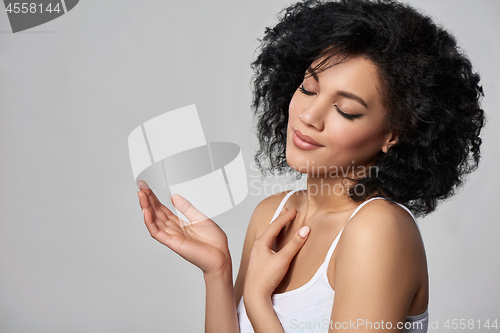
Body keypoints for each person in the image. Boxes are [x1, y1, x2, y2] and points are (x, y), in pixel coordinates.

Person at [136, 0, 485, 332]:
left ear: (392, 136)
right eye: (308, 88)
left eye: (345, 110)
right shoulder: (272, 213)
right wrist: (217, 270)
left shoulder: (377, 230)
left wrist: (258, 303)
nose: (308, 116)